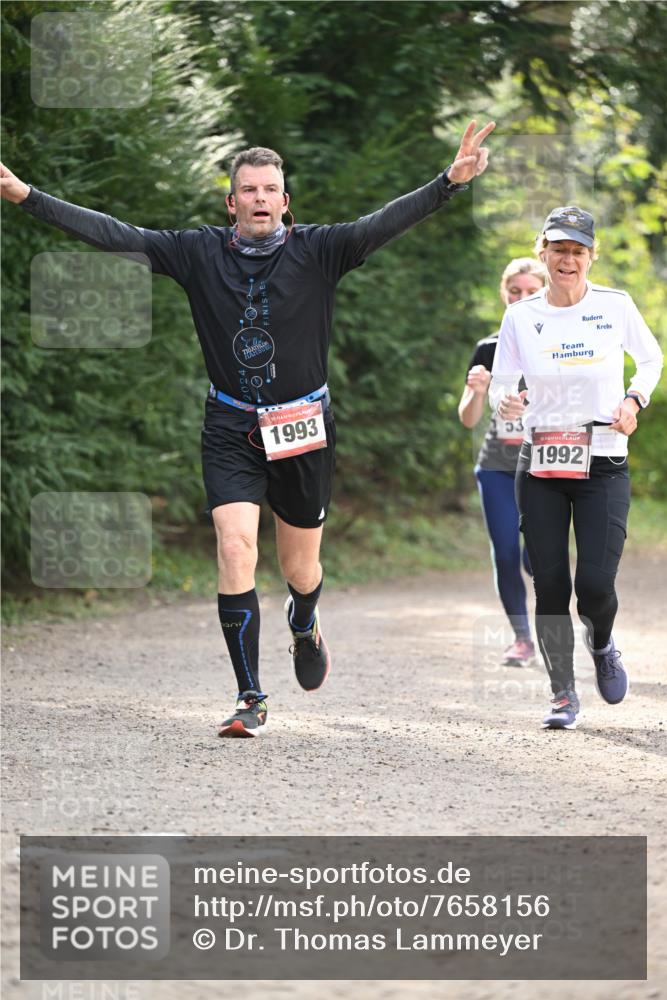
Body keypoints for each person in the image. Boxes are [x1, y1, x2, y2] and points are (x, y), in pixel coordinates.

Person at [1, 119, 495, 737]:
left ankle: (304, 619)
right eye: (249, 189)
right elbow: (116, 234)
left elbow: (383, 223)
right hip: (230, 421)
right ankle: (250, 695)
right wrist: (27, 195)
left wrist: (448, 182)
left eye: (271, 189)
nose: (260, 198)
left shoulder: (321, 249)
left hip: (302, 424)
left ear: (285, 202)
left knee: (299, 569)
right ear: (231, 201)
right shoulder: (197, 252)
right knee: (235, 546)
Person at [490, 206, 663, 730]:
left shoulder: (615, 305)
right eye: (559, 249)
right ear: (543, 252)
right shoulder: (522, 316)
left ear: (591, 256)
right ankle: (562, 693)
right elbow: (502, 380)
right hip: (541, 462)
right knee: (549, 584)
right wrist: (506, 402)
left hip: (604, 460)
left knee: (594, 584)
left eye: (577, 250)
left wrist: (634, 400)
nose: (568, 259)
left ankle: (603, 642)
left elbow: (651, 359)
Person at [458, 258, 546, 668]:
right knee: (507, 554)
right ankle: (522, 639)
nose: (523, 298)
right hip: (496, 466)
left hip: (548, 465)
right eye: (515, 291)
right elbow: (469, 419)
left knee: (538, 558)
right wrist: (478, 391)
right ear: (504, 294)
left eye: (531, 291)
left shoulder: (563, 343)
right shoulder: (489, 348)